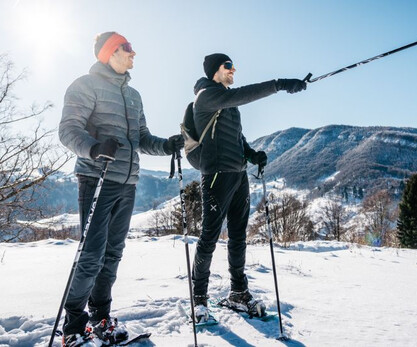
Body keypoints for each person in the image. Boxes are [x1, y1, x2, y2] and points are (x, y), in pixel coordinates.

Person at [58, 32, 184, 347]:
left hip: (128, 183)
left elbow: (142, 137)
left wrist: (166, 145)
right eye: (126, 48)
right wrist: (95, 146)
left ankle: (101, 318)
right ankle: (73, 328)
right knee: (92, 255)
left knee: (113, 254)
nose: (133, 54)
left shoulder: (134, 95)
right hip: (97, 178)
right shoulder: (85, 86)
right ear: (110, 53)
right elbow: (68, 130)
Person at [191, 53, 306, 323]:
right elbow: (243, 94)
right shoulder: (207, 96)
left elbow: (236, 137)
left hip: (238, 175)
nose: (234, 69)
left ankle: (238, 292)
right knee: (209, 236)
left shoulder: (228, 104)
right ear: (214, 71)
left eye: (233, 66)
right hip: (217, 176)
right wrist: (278, 84)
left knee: (238, 236)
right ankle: (199, 298)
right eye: (228, 66)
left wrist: (252, 154)